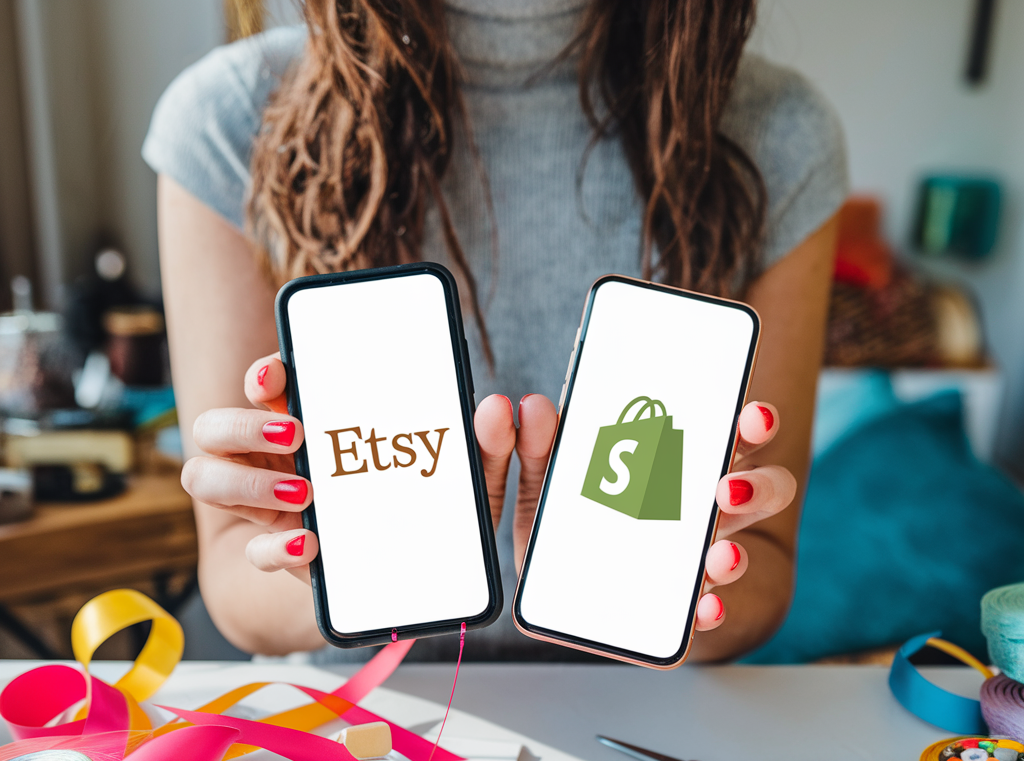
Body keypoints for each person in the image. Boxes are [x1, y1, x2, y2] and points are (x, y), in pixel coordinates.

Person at [144, 0, 845, 662]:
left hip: (650, 711)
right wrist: (349, 580)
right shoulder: (227, 119)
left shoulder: (780, 130)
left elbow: (762, 579)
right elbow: (233, 576)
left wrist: (677, 595)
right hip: (368, 716)